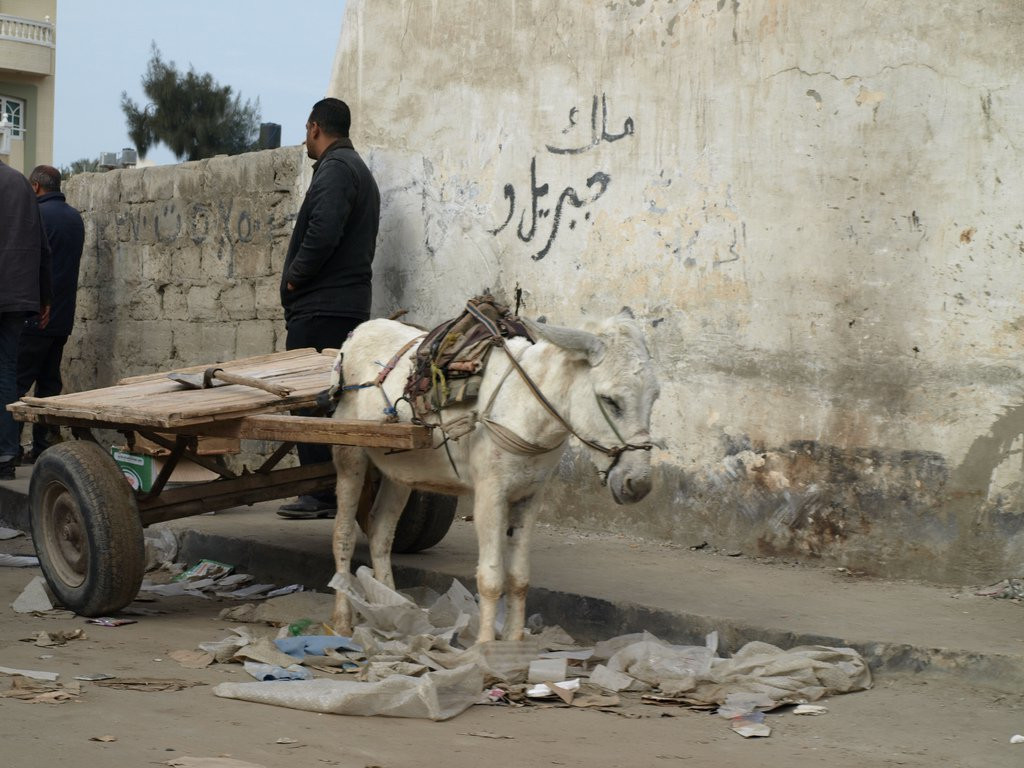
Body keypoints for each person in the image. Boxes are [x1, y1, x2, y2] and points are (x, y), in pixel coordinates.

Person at [277, 97, 381, 519]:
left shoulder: (337, 170)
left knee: (309, 399)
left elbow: (322, 234)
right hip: (341, 306)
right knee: (332, 402)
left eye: (306, 131)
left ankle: (321, 492)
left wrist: (294, 277)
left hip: (322, 309)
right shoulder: (353, 169)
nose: (306, 139)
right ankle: (334, 489)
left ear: (315, 127)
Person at [16, 165, 85, 463]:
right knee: (49, 384)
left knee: (16, 384)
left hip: (34, 315)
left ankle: (9, 449)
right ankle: (43, 448)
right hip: (61, 317)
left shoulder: (36, 216)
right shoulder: (74, 218)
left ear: (35, 187)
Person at [0, 161, 52, 480]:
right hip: (17, 296)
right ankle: (6, 453)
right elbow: (42, 246)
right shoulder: (20, 183)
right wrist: (45, 296)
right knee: (6, 371)